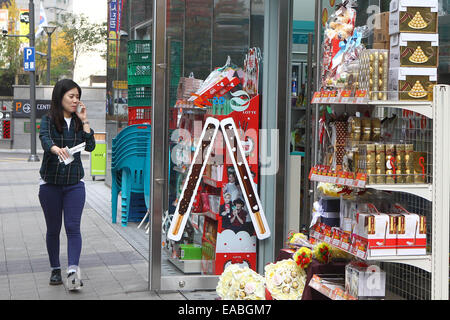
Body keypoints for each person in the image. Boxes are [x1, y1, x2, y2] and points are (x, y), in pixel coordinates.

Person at [38, 79, 96, 291]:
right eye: (71, 96)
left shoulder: (80, 122)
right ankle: (55, 268)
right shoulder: (48, 119)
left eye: (77, 97)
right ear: (59, 97)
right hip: (50, 184)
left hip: (74, 184)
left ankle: (72, 271)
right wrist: (54, 148)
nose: (75, 101)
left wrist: (85, 120)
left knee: (72, 227)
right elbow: (44, 138)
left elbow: (90, 146)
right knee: (53, 228)